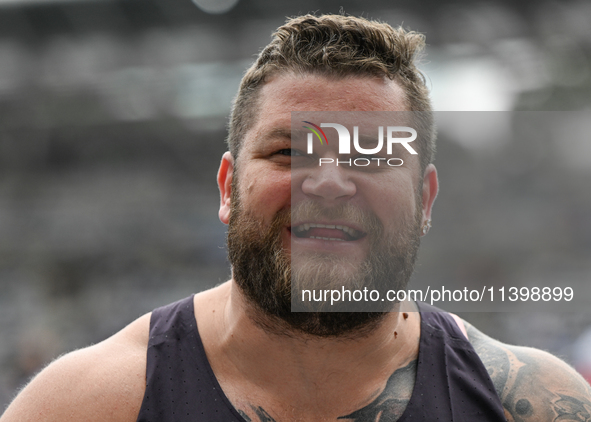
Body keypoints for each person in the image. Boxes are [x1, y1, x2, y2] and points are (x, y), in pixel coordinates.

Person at [1, 13, 590, 422]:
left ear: (425, 201)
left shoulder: (533, 403)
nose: (329, 183)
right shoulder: (89, 405)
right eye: (288, 152)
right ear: (229, 186)